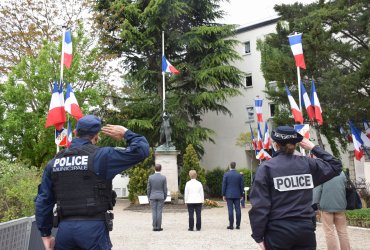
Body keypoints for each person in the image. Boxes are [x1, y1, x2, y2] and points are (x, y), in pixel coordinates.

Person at [35, 115, 150, 250]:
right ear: (97, 136)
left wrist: (45, 234)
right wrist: (126, 133)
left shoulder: (54, 163)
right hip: (94, 229)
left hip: (65, 230)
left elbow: (43, 200)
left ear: (76, 133)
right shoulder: (102, 156)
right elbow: (141, 150)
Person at [249, 126, 342, 250]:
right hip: (305, 231)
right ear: (296, 144)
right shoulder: (308, 164)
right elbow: (336, 165)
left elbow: (260, 206)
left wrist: (258, 236)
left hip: (277, 232)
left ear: (276, 145)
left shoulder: (266, 168)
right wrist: (313, 147)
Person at [313, 171, 350, 250]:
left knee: (329, 232)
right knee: (342, 231)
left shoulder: (322, 173)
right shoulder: (341, 173)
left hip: (326, 207)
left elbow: (317, 191)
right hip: (341, 206)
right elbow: (346, 187)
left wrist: (315, 204)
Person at [222, 162, 244, 230]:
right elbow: (241, 185)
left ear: (230, 166)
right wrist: (241, 194)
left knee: (230, 210)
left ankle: (231, 225)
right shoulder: (239, 175)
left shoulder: (226, 174)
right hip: (237, 194)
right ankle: (238, 225)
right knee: (238, 209)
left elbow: (224, 185)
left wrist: (223, 194)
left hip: (229, 194)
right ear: (235, 166)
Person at [147, 164, 168, 231]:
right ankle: (158, 227)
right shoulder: (163, 177)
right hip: (161, 196)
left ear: (154, 169)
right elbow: (165, 188)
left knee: (154, 212)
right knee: (159, 211)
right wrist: (165, 196)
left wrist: (148, 196)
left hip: (152, 196)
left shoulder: (150, 177)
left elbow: (148, 188)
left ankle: (154, 226)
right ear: (160, 169)